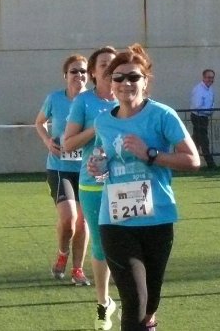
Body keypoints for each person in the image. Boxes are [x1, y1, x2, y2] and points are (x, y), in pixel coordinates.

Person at [90, 44, 200, 331]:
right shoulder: (103, 121)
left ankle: (149, 322)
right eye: (118, 77)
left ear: (145, 81)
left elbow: (192, 160)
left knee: (149, 302)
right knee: (134, 301)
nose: (126, 83)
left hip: (157, 218)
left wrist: (150, 154)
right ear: (110, 84)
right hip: (115, 220)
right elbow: (105, 161)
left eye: (133, 77)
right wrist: (98, 168)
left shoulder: (162, 115)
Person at [64, 46, 119, 331]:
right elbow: (68, 142)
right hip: (94, 183)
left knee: (129, 242)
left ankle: (136, 300)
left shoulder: (131, 99)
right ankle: (103, 303)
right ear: (94, 72)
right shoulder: (84, 102)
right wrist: (96, 129)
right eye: (104, 65)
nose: (110, 70)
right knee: (100, 244)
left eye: (114, 64)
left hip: (127, 182)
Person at [35, 54, 90, 286]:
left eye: (83, 71)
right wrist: (48, 142)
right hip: (59, 167)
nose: (79, 75)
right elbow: (39, 122)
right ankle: (62, 253)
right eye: (74, 71)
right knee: (68, 219)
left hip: (87, 168)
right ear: (65, 75)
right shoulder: (55, 99)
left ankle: (77, 269)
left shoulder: (93, 100)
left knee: (82, 222)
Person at [190, 68, 216, 168]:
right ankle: (211, 163)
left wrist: (210, 110)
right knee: (204, 140)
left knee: (196, 141)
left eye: (212, 78)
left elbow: (212, 103)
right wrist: (209, 111)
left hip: (204, 117)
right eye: (209, 77)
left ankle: (189, 161)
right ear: (203, 78)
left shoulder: (210, 89)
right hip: (198, 117)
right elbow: (197, 106)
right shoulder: (199, 90)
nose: (211, 80)